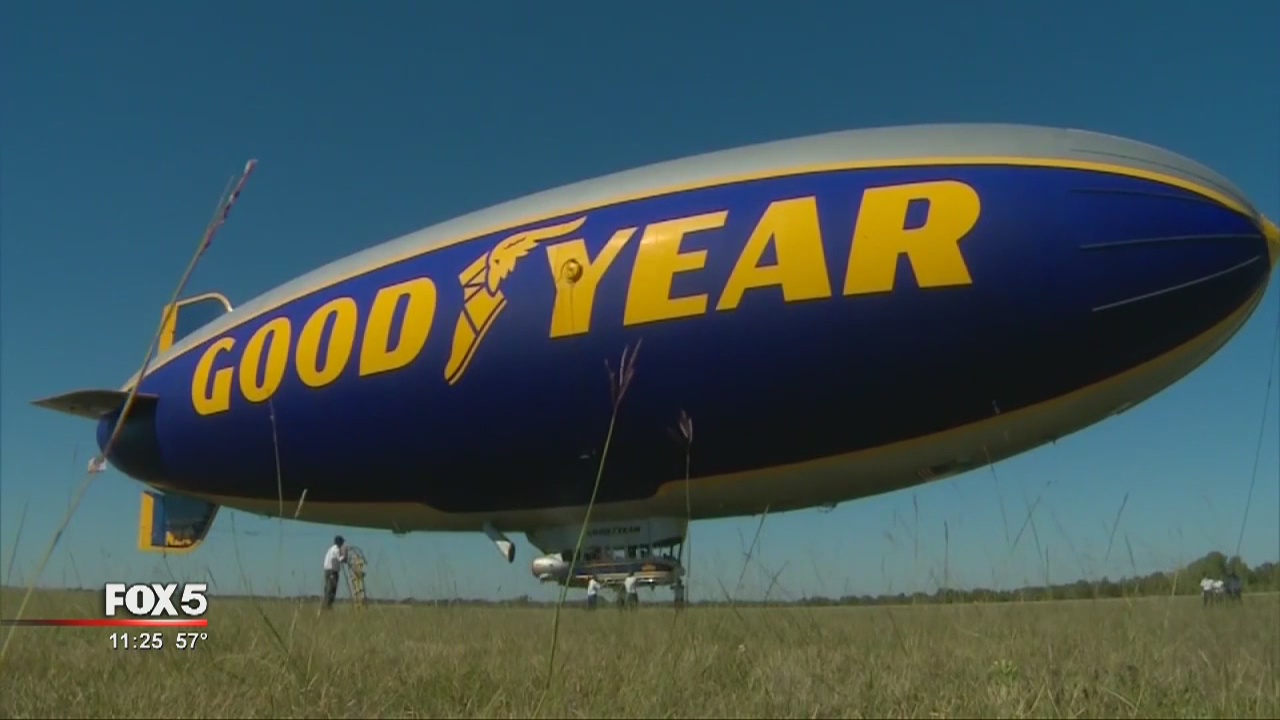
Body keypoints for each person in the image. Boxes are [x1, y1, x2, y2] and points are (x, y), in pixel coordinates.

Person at [323, 535, 348, 610]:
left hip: (327, 570)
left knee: (328, 588)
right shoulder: (336, 549)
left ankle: (326, 605)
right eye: (342, 542)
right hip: (332, 571)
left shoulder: (331, 549)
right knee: (331, 588)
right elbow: (340, 559)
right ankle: (328, 606)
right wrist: (345, 554)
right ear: (339, 543)